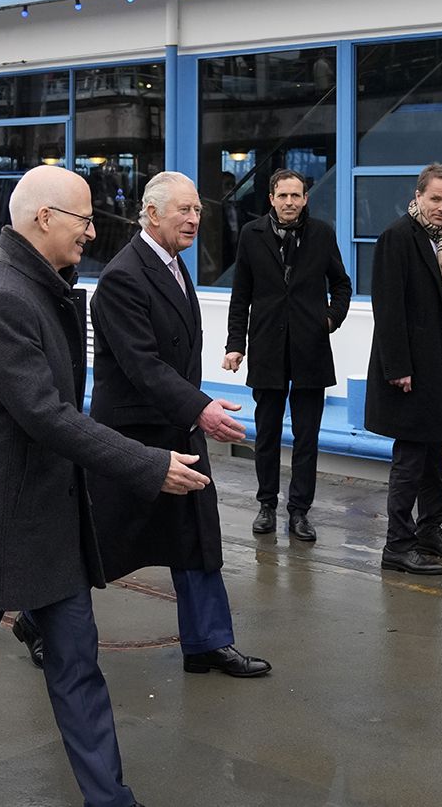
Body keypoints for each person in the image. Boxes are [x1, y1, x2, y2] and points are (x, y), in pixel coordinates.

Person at [0, 165, 203, 807]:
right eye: (83, 219)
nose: (92, 230)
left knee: (78, 665)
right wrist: (149, 463)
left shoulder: (40, 287)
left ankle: (110, 797)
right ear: (44, 219)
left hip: (46, 517)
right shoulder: (1, 299)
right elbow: (48, 417)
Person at [87, 170, 271, 679]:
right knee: (103, 538)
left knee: (196, 535)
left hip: (177, 426)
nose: (194, 219)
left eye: (197, 211)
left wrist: (192, 411)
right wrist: (201, 408)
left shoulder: (173, 265)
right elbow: (142, 365)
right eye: (183, 211)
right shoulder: (124, 276)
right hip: (131, 435)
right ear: (151, 215)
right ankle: (41, 621)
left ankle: (208, 642)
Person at [223, 169, 351, 543]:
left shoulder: (322, 233)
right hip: (266, 347)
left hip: (311, 349)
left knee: (307, 437)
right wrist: (235, 345)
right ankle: (266, 505)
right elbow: (240, 295)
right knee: (266, 434)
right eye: (284, 196)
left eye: (297, 196)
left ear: (306, 199)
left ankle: (299, 512)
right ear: (271, 198)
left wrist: (331, 319)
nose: (290, 202)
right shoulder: (251, 234)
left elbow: (341, 283)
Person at [365, 162, 442, 576]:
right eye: (435, 199)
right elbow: (387, 307)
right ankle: (397, 545)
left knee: (435, 457)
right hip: (410, 370)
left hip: (440, 366)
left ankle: (430, 531)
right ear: (418, 196)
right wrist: (398, 368)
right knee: (409, 461)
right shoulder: (397, 238)